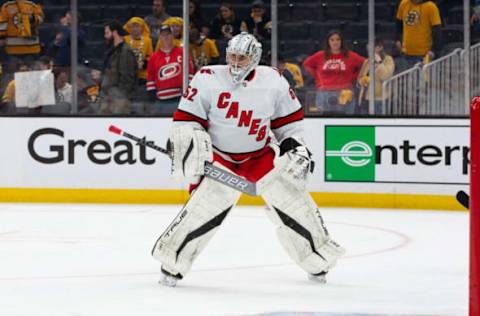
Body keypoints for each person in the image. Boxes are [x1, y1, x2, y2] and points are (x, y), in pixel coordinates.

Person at [151, 32, 345, 287]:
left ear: (254, 58)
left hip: (260, 155)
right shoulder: (207, 77)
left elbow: (288, 125)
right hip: (220, 158)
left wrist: (293, 147)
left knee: (293, 202)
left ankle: (317, 262)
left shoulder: (273, 80)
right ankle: (171, 265)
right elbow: (187, 120)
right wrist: (187, 142)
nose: (235, 62)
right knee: (204, 208)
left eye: (241, 58)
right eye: (231, 56)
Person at [303, 30, 365, 114]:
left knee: (346, 123)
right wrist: (317, 77)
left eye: (338, 39)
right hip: (324, 92)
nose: (335, 42)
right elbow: (307, 64)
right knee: (322, 122)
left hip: (345, 93)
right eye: (332, 40)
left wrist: (354, 77)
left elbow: (365, 64)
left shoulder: (350, 55)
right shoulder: (320, 55)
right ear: (328, 42)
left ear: (342, 41)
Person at [146, 25, 193, 114]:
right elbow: (150, 80)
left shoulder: (183, 52)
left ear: (172, 36)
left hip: (179, 100)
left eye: (168, 34)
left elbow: (190, 75)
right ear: (159, 37)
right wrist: (154, 99)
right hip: (160, 102)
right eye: (163, 35)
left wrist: (186, 96)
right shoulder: (154, 57)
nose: (166, 37)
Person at [98, 20, 137, 115]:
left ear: (115, 33)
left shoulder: (125, 52)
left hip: (118, 100)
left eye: (107, 33)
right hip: (109, 97)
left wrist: (120, 99)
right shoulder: (113, 51)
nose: (105, 36)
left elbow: (127, 79)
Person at [395, 0, 442, 68]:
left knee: (423, 78)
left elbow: (437, 31)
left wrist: (434, 50)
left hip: (424, 54)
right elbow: (398, 24)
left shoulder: (431, 7)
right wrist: (398, 39)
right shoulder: (404, 3)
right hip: (405, 52)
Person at [357, 38, 395, 115]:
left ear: (380, 47)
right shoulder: (367, 61)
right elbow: (360, 77)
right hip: (365, 98)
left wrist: (379, 62)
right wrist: (362, 81)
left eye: (371, 47)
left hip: (380, 98)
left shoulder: (388, 60)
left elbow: (386, 76)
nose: (369, 50)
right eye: (368, 48)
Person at [123, 17, 154, 84]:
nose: (135, 29)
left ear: (142, 28)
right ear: (129, 28)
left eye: (137, 26)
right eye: (133, 26)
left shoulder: (147, 40)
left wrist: (144, 63)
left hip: (142, 76)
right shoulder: (124, 39)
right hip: (127, 75)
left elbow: (150, 57)